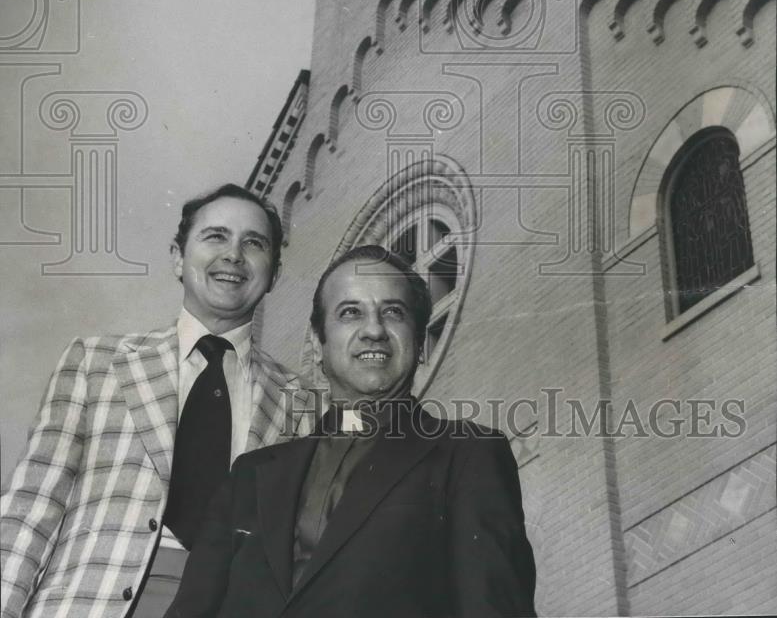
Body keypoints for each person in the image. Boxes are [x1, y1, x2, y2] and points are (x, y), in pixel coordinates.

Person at [165, 244, 537, 618]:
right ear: (318, 342)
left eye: (393, 312)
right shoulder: (250, 475)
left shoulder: (469, 453)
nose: (373, 330)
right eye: (350, 313)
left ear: (419, 340)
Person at [1, 183, 317, 618]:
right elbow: (29, 511)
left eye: (254, 243)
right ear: (177, 258)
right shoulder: (97, 361)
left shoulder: (301, 404)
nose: (234, 255)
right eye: (215, 236)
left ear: (274, 274)